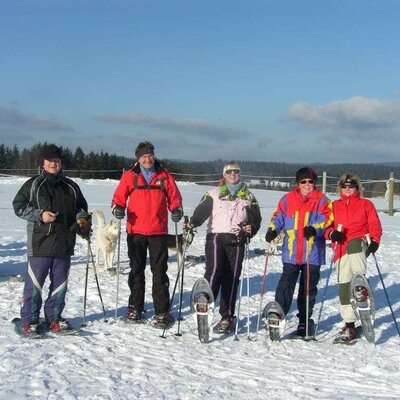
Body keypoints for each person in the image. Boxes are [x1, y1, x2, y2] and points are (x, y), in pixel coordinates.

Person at [12, 144, 91, 336]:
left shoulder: (71, 186)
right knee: (35, 285)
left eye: (56, 161)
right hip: (40, 243)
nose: (54, 164)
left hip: (64, 243)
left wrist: (82, 219)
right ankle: (29, 320)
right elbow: (19, 206)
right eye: (50, 161)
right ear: (44, 163)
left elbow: (82, 207)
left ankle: (54, 318)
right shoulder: (33, 185)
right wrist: (40, 215)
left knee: (60, 285)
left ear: (61, 162)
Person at [111, 141, 183, 328]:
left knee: (159, 272)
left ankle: (162, 311)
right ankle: (135, 307)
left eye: (150, 155)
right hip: (135, 231)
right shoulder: (130, 176)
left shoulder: (165, 176)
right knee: (136, 270)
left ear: (153, 156)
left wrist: (176, 210)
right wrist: (118, 208)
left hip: (158, 231)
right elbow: (118, 197)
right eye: (143, 156)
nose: (147, 159)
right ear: (138, 158)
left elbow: (174, 198)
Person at [184, 161, 261, 333]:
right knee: (215, 270)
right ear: (224, 175)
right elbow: (201, 212)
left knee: (232, 277)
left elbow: (256, 220)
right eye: (229, 172)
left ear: (240, 174)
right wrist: (192, 223)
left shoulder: (249, 197)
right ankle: (205, 301)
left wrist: (252, 228)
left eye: (236, 172)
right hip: (216, 236)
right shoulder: (214, 193)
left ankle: (227, 316)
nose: (233, 175)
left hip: (238, 238)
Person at [265, 167, 333, 336]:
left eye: (310, 181)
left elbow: (327, 220)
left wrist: (314, 229)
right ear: (298, 183)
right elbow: (278, 216)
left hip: (313, 252)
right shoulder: (287, 199)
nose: (307, 185)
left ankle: (304, 321)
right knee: (286, 283)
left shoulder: (322, 201)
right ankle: (278, 314)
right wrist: (273, 229)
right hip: (292, 251)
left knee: (308, 288)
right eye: (303, 181)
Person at [325, 173, 382, 342]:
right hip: (341, 248)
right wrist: (331, 233)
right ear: (340, 188)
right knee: (343, 285)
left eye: (351, 186)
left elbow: (374, 224)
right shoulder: (334, 205)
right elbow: (326, 226)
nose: (347, 189)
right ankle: (349, 324)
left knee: (354, 244)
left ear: (357, 187)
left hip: (359, 244)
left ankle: (359, 286)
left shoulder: (366, 204)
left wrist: (375, 240)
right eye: (344, 186)